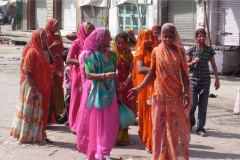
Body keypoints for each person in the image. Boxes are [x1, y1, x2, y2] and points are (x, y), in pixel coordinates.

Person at [128, 23, 192, 160]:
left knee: (176, 129)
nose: (168, 39)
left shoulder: (180, 51)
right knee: (159, 129)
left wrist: (186, 93)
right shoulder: (156, 52)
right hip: (160, 96)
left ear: (175, 36)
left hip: (175, 95)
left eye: (170, 36)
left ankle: (176, 157)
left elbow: (185, 75)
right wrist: (139, 88)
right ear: (161, 36)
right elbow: (151, 73)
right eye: (165, 36)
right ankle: (161, 157)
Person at [76, 27, 120, 160]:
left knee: (109, 122)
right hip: (93, 92)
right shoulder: (88, 55)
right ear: (100, 39)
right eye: (108, 36)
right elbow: (89, 75)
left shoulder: (112, 55)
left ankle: (104, 151)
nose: (110, 39)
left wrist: (119, 92)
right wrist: (105, 75)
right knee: (94, 122)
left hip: (109, 91)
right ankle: (96, 151)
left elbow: (115, 75)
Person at [10, 30, 53, 143]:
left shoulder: (44, 53)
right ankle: (27, 136)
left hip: (43, 87)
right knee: (31, 113)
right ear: (36, 39)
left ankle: (40, 135)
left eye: (45, 38)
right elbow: (27, 72)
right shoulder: (31, 53)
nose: (44, 41)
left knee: (41, 114)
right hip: (33, 87)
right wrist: (33, 90)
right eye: (42, 38)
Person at [187, 28, 220, 137]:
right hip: (193, 79)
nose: (201, 38)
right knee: (193, 104)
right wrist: (192, 62)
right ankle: (189, 121)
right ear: (196, 37)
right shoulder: (192, 49)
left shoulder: (209, 50)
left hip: (205, 79)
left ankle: (200, 128)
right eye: (199, 36)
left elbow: (214, 65)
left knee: (203, 106)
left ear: (206, 37)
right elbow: (185, 64)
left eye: (203, 36)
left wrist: (217, 79)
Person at [132, 28, 158, 153]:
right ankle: (146, 140)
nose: (148, 39)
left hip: (156, 86)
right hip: (144, 86)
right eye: (145, 37)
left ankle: (154, 142)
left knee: (154, 115)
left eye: (150, 36)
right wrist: (156, 71)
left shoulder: (156, 51)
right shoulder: (139, 52)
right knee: (144, 115)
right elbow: (140, 69)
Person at [66, 22, 95, 133]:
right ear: (83, 30)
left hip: (90, 74)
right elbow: (68, 59)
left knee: (87, 98)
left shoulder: (94, 43)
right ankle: (75, 124)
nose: (91, 30)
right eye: (88, 28)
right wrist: (81, 62)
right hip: (78, 73)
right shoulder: (77, 43)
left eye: (92, 28)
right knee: (77, 98)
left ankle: (86, 123)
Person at [114, 33, 135, 144]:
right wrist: (117, 84)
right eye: (118, 43)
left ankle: (122, 136)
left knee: (124, 108)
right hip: (114, 86)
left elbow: (132, 71)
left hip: (126, 86)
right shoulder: (112, 54)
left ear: (126, 44)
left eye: (123, 43)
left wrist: (126, 83)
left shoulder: (129, 55)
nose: (121, 45)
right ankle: (114, 134)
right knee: (115, 110)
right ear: (115, 43)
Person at [45, 19, 64, 122]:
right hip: (52, 67)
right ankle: (52, 114)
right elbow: (44, 51)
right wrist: (52, 47)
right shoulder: (47, 37)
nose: (57, 28)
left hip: (59, 66)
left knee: (59, 89)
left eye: (58, 26)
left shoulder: (58, 37)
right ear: (50, 26)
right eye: (55, 25)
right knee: (53, 89)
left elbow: (62, 50)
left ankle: (59, 112)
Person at [58, 49, 71, 126]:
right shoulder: (68, 67)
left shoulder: (67, 68)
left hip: (69, 88)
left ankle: (68, 120)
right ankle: (66, 118)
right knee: (67, 103)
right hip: (69, 88)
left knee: (68, 103)